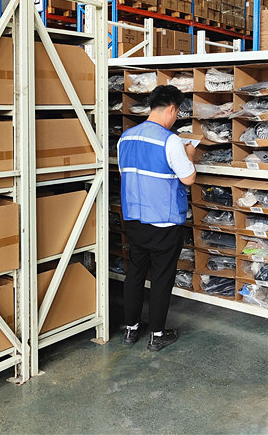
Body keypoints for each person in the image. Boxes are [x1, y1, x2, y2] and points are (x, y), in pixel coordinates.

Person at [117, 85, 199, 351]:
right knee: (162, 278)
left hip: (134, 218)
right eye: (178, 112)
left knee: (135, 273)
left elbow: (126, 174)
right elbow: (188, 178)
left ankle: (131, 329)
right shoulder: (170, 141)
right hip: (163, 222)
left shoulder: (125, 138)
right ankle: (157, 334)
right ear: (172, 109)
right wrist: (189, 156)